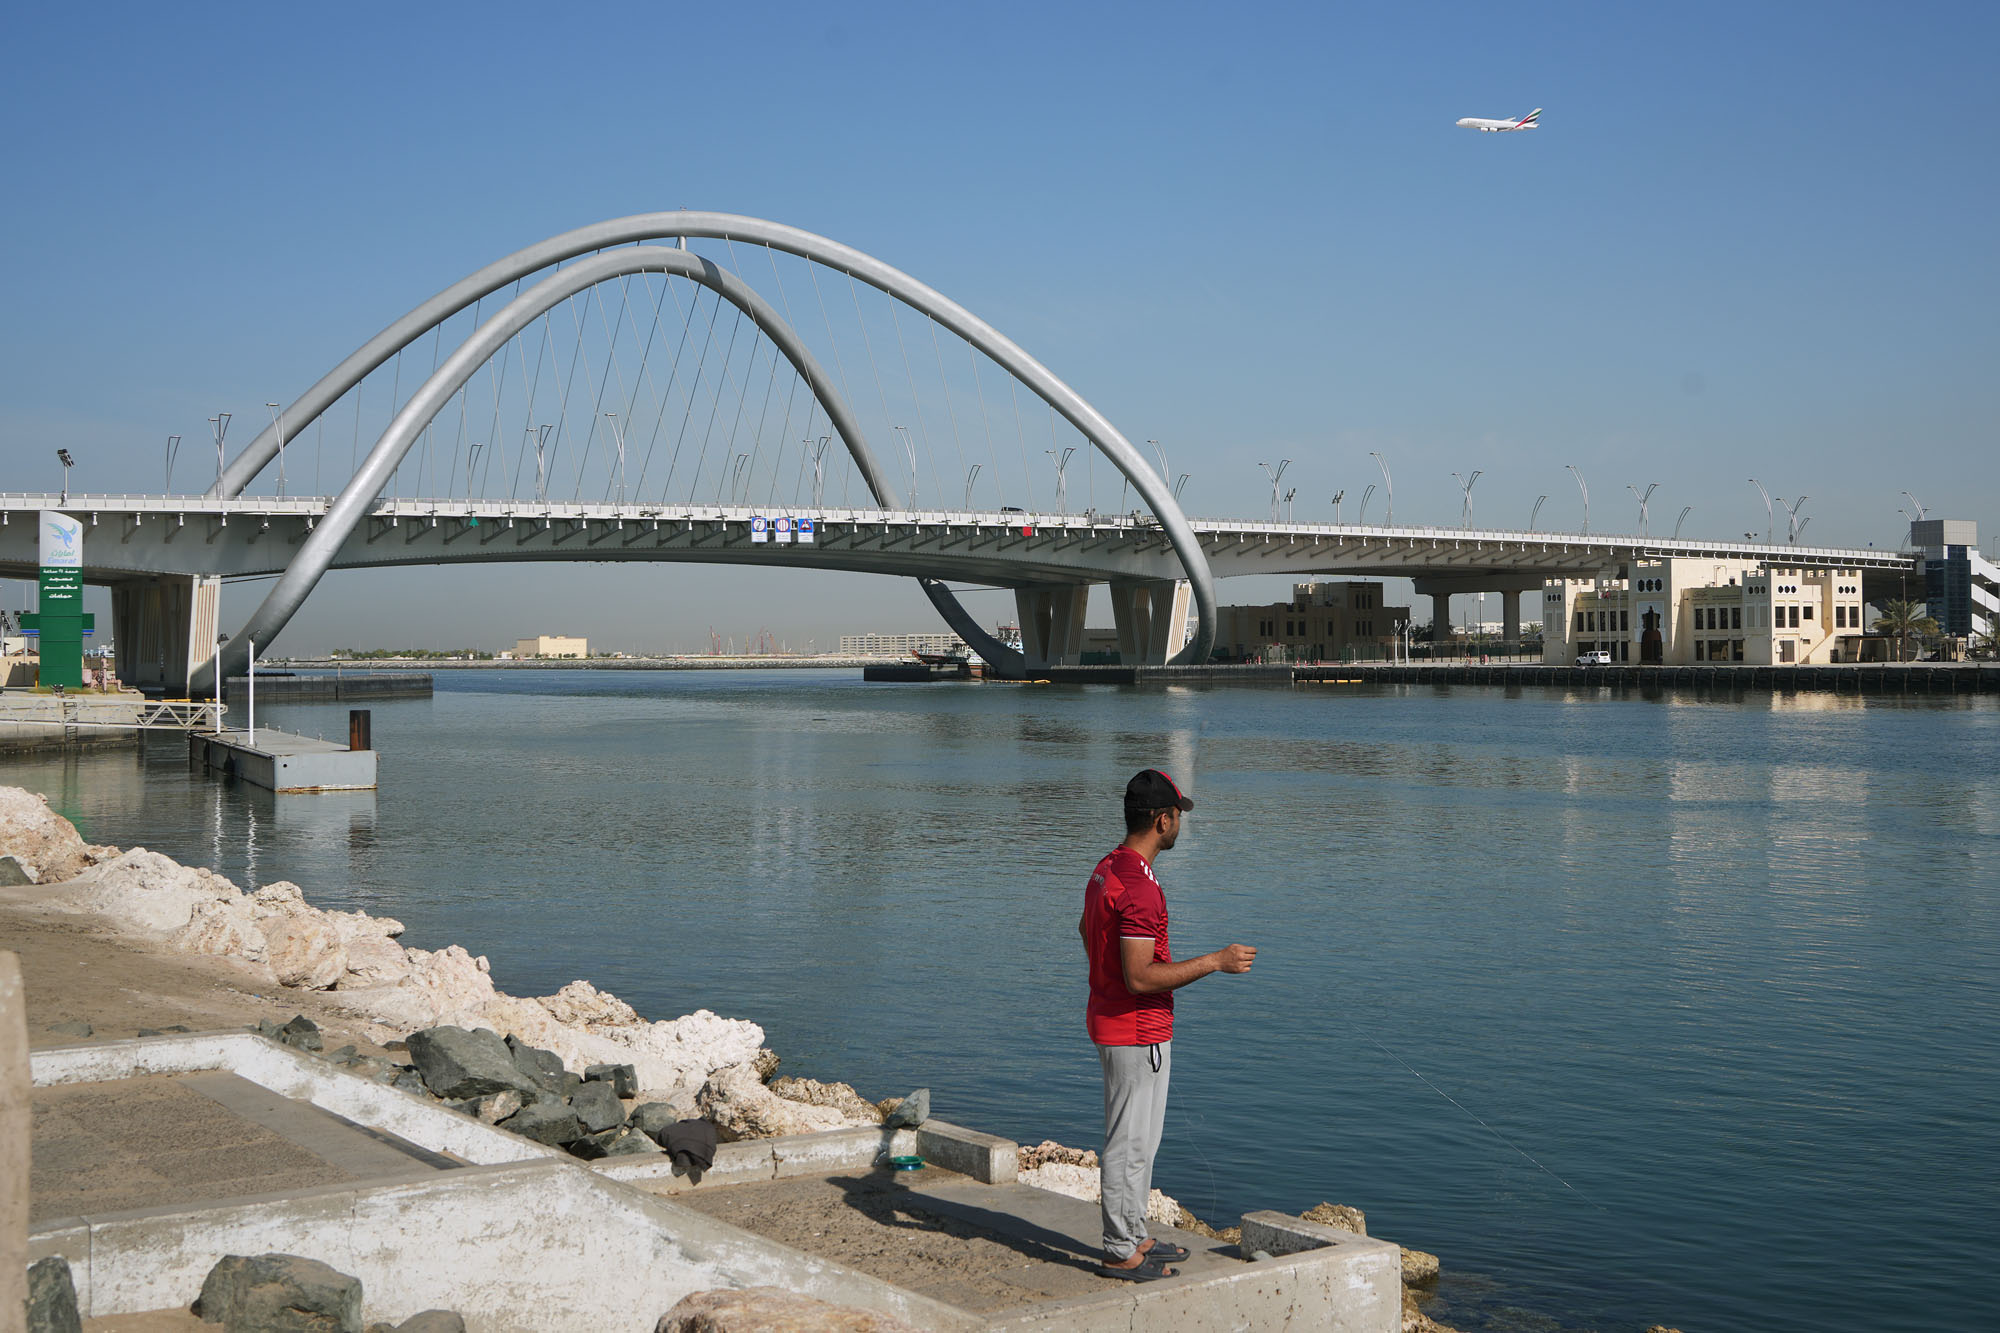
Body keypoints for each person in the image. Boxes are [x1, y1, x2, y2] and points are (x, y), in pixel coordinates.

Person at [1079, 768, 1257, 1280]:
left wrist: (1105, 981)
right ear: (1163, 820)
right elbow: (1139, 977)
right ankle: (1118, 1249)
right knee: (1129, 1143)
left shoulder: (1107, 868)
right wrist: (1216, 962)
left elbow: (1086, 932)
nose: (1181, 824)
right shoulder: (1139, 887)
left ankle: (1133, 1233)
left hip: (1117, 1022)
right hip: (1135, 1030)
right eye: (1178, 816)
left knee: (1141, 1141)